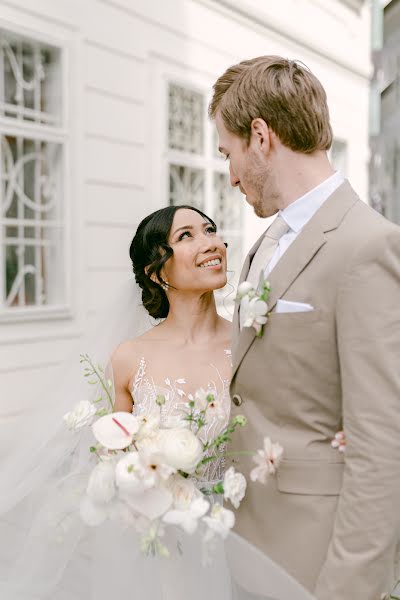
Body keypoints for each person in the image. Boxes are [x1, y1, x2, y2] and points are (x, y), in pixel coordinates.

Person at [0, 204, 313, 600]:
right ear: (157, 272)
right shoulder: (129, 359)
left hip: (249, 540)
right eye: (186, 236)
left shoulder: (250, 343)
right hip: (161, 554)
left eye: (210, 230)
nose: (210, 243)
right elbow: (117, 462)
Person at [210, 55, 400, 600]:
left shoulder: (369, 246)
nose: (230, 174)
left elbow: (381, 447)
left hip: (314, 564)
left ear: (261, 137)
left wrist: (346, 589)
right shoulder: (265, 242)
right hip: (247, 546)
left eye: (229, 153)